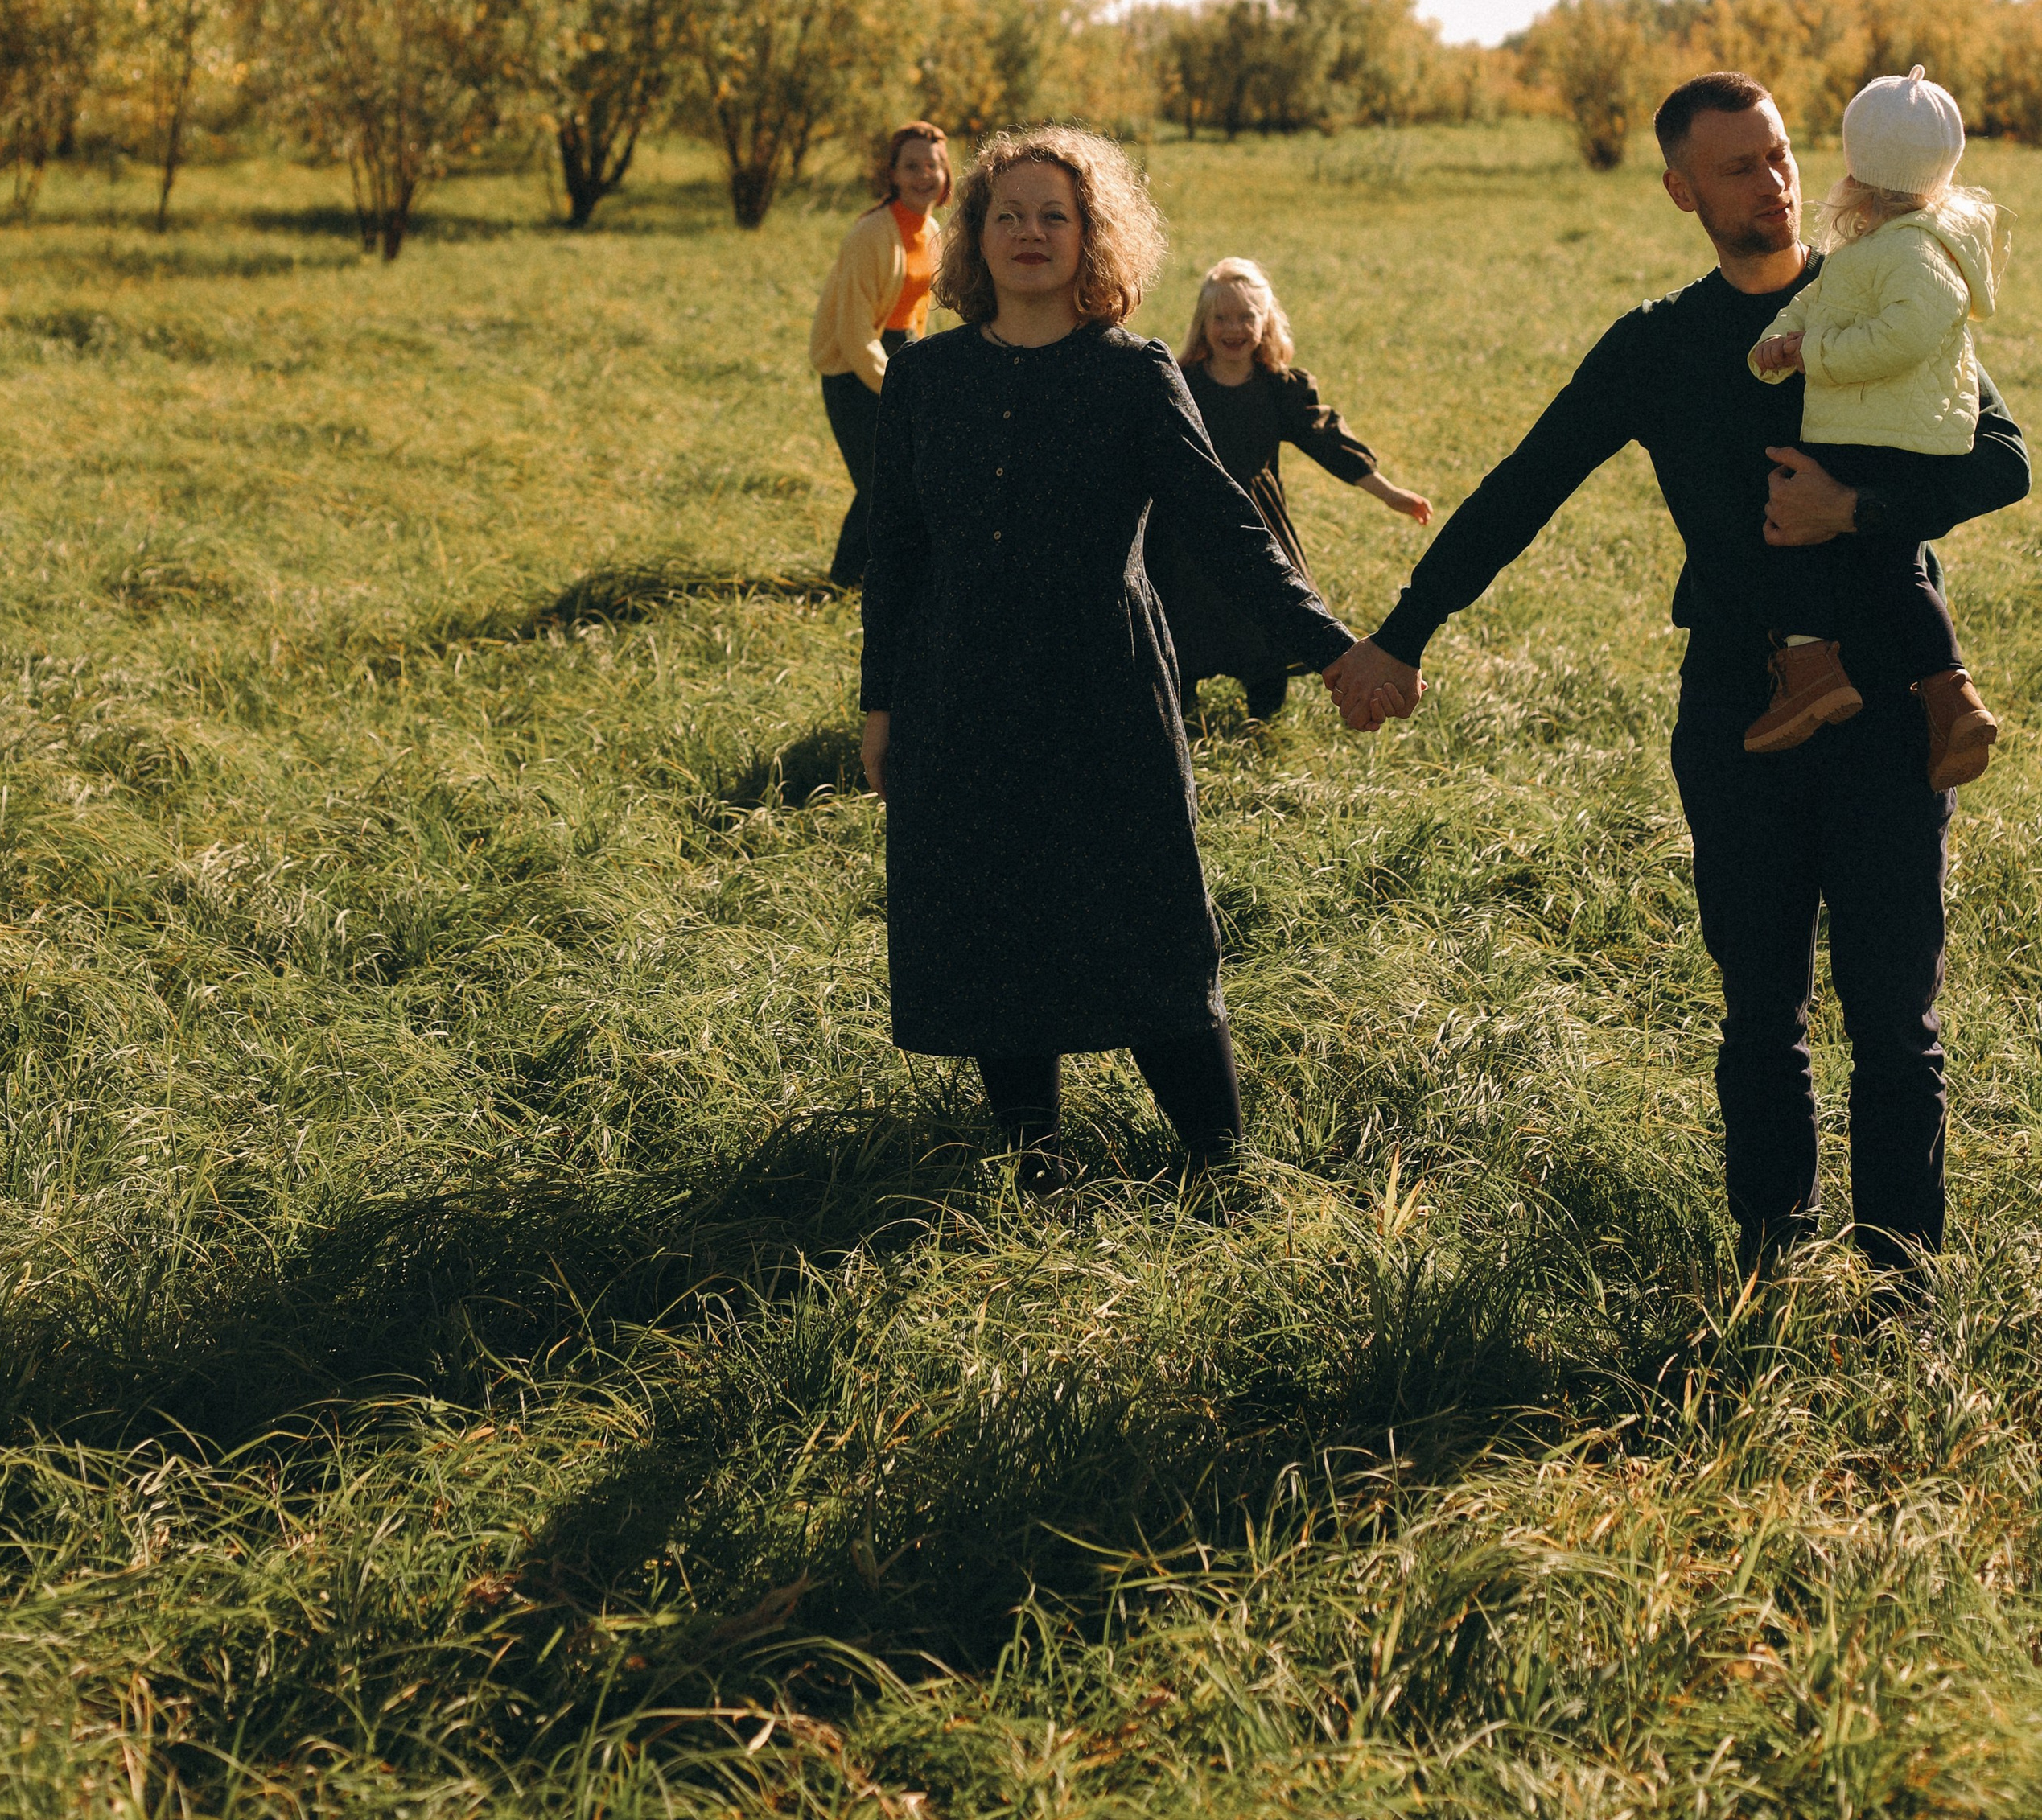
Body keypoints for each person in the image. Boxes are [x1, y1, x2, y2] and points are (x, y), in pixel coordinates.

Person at [1327, 71, 2029, 1283]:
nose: (1775, 182)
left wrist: (1856, 508)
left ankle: (1903, 1288)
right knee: (1760, 1013)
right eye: (1739, 167)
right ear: (1681, 190)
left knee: (1894, 1020)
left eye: (1781, 154)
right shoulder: (1655, 347)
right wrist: (1402, 634)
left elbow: (2004, 459)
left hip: (1889, 701)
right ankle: (1768, 1270)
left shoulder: (1876, 289)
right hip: (1737, 709)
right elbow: (1522, 488)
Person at [859, 128, 1365, 1188]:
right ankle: (1033, 1158)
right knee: (995, 915)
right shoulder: (924, 379)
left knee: (1149, 920)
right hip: (958, 686)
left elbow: (1226, 530)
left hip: (1105, 686)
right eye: (1008, 214)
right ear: (975, 234)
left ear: (1092, 238)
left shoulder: (1134, 374)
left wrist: (1333, 650)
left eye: (1056, 215)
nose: (1030, 233)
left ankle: (1219, 1168)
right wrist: (881, 706)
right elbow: (896, 552)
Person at [1743, 66, 2002, 788]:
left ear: (1857, 172)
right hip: (1882, 427)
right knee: (1888, 567)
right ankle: (1943, 696)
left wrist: (1814, 355)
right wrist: (1777, 342)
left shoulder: (1917, 250)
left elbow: (1903, 336)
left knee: (1802, 535)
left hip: (1884, 434)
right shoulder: (1879, 244)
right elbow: (1819, 301)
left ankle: (1816, 669)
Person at [1147, 255, 1431, 718]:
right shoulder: (1181, 384)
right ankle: (1182, 707)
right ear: (1203, 324)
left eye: (1246, 317)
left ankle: (1264, 708)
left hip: (1256, 519)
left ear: (1266, 323)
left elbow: (1327, 440)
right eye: (1221, 317)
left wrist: (1388, 492)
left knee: (1267, 611)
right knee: (1182, 615)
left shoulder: (1278, 388)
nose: (1233, 329)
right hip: (1187, 525)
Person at [809, 121, 949, 586]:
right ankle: (847, 581)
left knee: (899, 480)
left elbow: (917, 311)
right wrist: (899, 388)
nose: (924, 175)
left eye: (933, 165)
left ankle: (871, 578)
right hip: (854, 370)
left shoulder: (931, 230)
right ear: (893, 174)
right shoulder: (870, 235)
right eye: (912, 166)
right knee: (880, 484)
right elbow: (853, 334)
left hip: (899, 354)